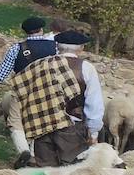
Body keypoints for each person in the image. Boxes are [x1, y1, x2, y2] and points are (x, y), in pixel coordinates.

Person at [9, 29, 102, 167]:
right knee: (70, 172)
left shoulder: (40, 65)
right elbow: (94, 103)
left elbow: (25, 91)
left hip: (42, 128)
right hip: (72, 130)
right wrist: (93, 132)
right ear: (81, 48)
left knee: (44, 172)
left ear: (57, 46)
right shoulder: (86, 68)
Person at [0, 15, 57, 93]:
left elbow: (1, 73)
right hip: (48, 92)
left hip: (22, 92)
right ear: (41, 29)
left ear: (25, 31)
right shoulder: (55, 46)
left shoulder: (16, 48)